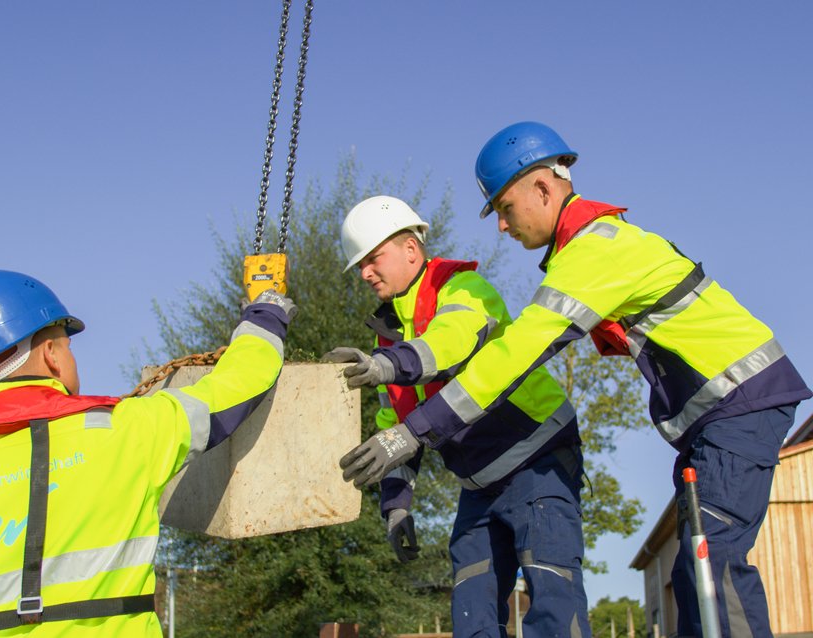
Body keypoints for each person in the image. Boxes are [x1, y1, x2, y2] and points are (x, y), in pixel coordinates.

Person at [340, 122, 813, 637]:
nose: (502, 225)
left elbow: (514, 353)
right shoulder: (587, 250)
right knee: (695, 563)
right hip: (721, 412)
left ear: (542, 189)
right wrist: (397, 498)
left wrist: (409, 430)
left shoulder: (592, 252)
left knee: (711, 559)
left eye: (504, 208)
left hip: (740, 401)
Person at [0, 269, 295, 637]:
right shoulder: (129, 433)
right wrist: (264, 318)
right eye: (67, 344)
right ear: (51, 355)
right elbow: (234, 389)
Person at [325, 195, 592, 637]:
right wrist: (395, 507)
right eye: (360, 267)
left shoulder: (465, 290)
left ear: (411, 249)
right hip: (479, 486)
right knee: (472, 608)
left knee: (552, 597)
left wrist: (385, 366)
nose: (365, 274)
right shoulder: (390, 338)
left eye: (373, 259)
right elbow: (394, 431)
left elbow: (450, 343)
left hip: (538, 460)